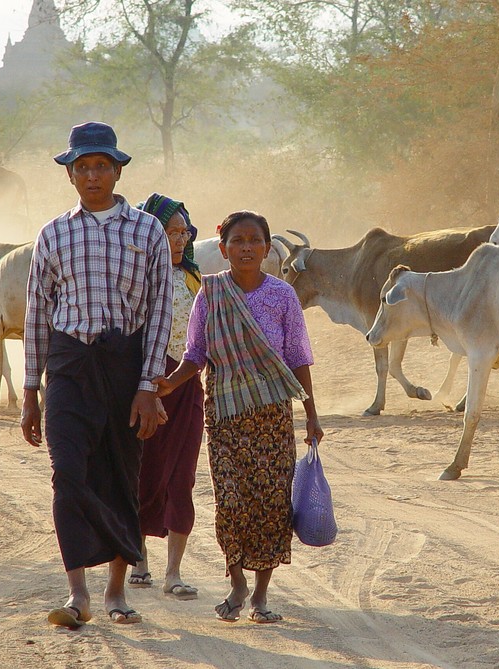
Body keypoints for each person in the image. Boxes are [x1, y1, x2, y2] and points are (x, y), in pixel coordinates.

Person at [20, 121, 173, 628]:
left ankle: (115, 592)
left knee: (119, 475)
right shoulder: (54, 233)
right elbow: (37, 313)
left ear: (117, 169)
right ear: (70, 175)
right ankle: (77, 594)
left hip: (125, 368)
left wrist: (148, 385)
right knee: (67, 473)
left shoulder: (146, 230)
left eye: (100, 166)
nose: (91, 175)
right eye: (81, 167)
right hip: (67, 365)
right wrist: (29, 390)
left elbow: (159, 311)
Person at [156, 210, 323, 624]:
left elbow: (298, 359)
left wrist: (312, 416)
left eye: (254, 241)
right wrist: (169, 384)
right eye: (237, 241)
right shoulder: (210, 294)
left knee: (270, 504)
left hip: (273, 417)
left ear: (267, 248)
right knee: (231, 502)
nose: (246, 248)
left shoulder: (283, 296)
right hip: (226, 416)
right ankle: (236, 584)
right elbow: (195, 354)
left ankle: (261, 596)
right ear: (223, 247)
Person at [127, 193, 205, 601]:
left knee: (183, 477)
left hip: (187, 387)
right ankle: (139, 558)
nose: (178, 239)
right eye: (169, 231)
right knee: (144, 472)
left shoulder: (195, 279)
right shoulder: (137, 277)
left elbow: (204, 338)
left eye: (183, 231)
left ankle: (174, 572)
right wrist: (148, 387)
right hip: (145, 388)